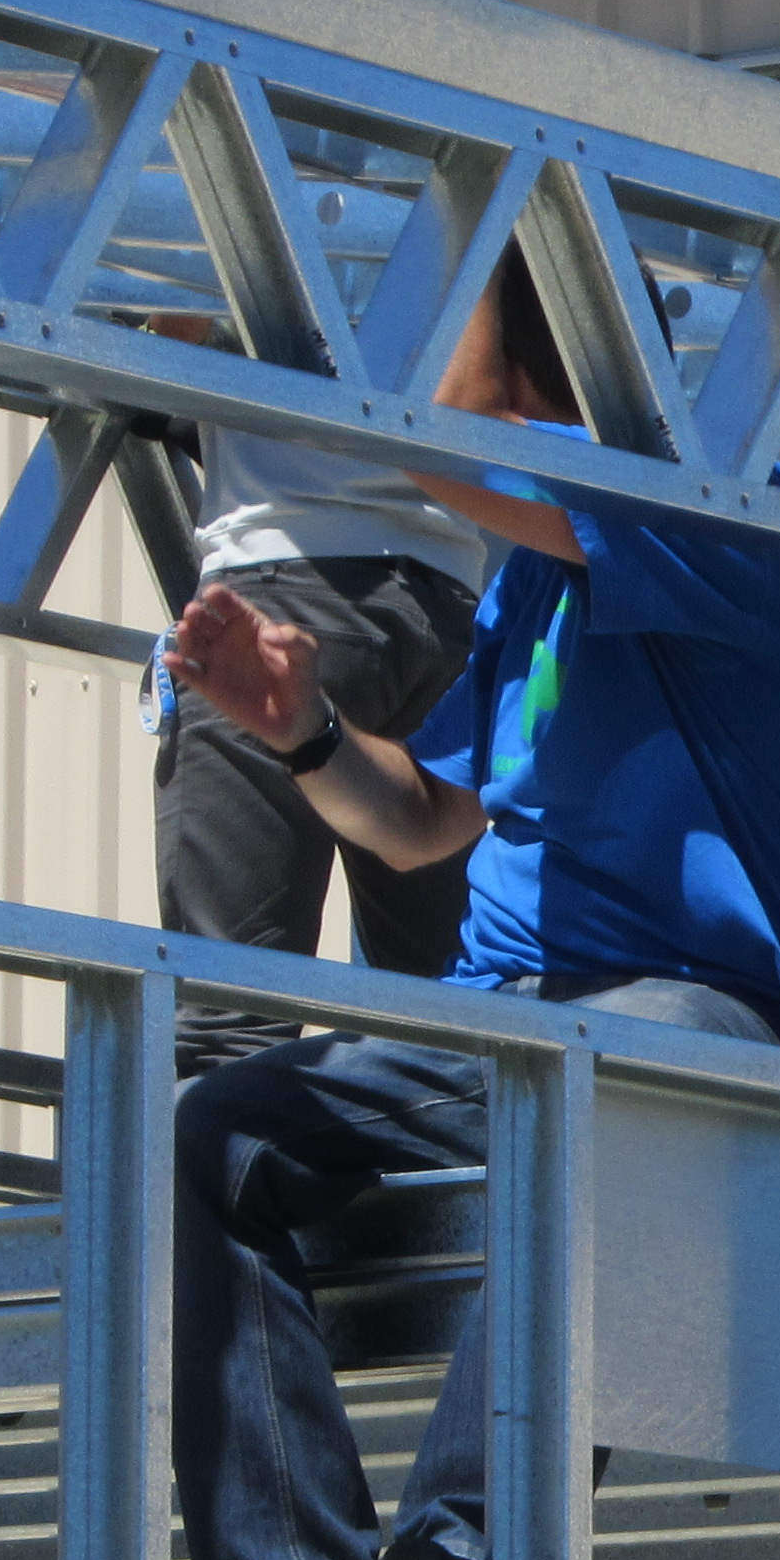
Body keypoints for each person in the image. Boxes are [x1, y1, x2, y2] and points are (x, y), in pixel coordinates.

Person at [158, 251, 780, 1560]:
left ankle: (470, 1554)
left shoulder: (727, 510)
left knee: (603, 1071)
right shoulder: (527, 585)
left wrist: (467, 253)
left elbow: (446, 440)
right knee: (217, 1130)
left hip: (688, 1023)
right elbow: (420, 821)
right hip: (509, 1028)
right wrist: (300, 730)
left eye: (450, 319)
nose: (416, 361)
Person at [147, 380, 491, 1074]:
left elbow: (169, 334)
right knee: (440, 1040)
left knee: (228, 1026)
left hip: (284, 582)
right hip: (451, 600)